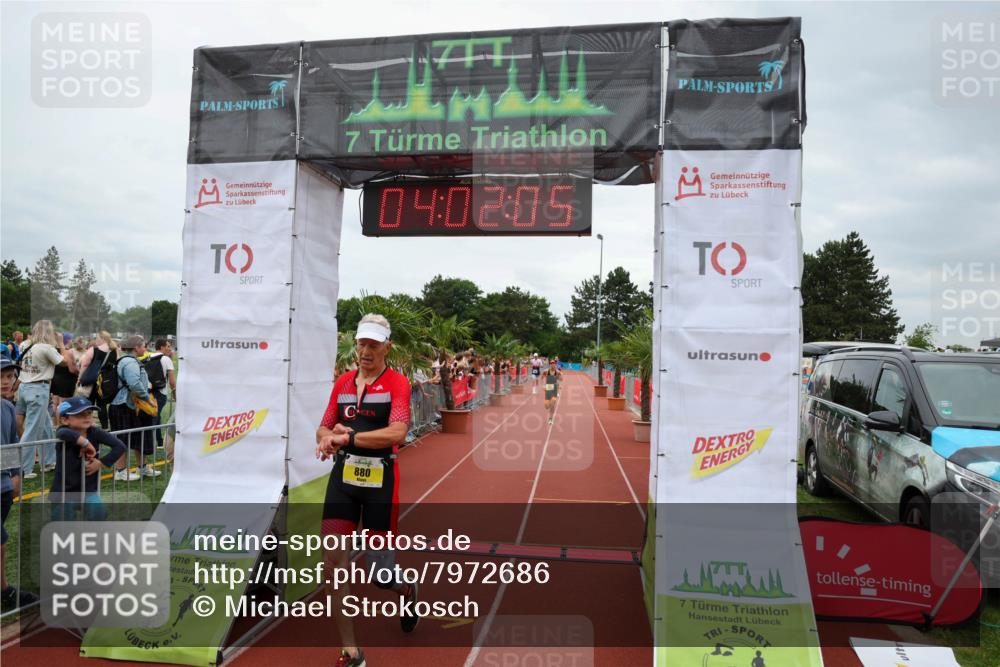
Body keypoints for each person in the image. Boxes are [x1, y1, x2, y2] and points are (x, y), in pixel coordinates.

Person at [315, 314, 419, 667]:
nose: (366, 350)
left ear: (387, 346)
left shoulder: (397, 384)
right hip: (343, 480)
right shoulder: (343, 382)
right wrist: (328, 439)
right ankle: (351, 651)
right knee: (333, 561)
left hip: (380, 482)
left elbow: (397, 433)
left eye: (374, 343)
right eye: (362, 342)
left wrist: (350, 437)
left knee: (380, 574)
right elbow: (323, 427)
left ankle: (406, 589)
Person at [17, 320, 76, 479]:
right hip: (38, 388)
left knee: (45, 427)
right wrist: (61, 344)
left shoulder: (24, 344)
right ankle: (24, 468)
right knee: (31, 429)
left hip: (25, 387)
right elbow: (65, 362)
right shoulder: (46, 348)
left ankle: (49, 461)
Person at [50, 397, 126, 521]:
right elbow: (62, 433)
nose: (86, 417)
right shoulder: (63, 431)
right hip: (63, 492)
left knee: (99, 513)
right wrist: (85, 443)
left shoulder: (94, 432)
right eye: (80, 415)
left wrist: (101, 463)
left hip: (88, 489)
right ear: (65, 419)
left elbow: (120, 446)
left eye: (89, 413)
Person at [1, 351, 37, 610]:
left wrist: (15, 475)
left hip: (4, 486)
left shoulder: (8, 407)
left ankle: (3, 590)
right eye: (0, 376)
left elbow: (12, 445)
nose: (5, 381)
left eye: (9, 376)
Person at [109, 336, 159, 481]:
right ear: (136, 347)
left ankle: (142, 468)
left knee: (138, 436)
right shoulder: (130, 362)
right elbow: (134, 384)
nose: (146, 349)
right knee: (122, 439)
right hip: (123, 405)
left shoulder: (128, 361)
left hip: (129, 404)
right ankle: (120, 471)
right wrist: (147, 398)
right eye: (144, 346)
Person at [77, 331, 118, 428]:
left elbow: (85, 364)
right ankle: (105, 427)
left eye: (97, 338)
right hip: (105, 382)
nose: (96, 341)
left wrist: (80, 378)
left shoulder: (93, 350)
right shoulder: (114, 351)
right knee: (102, 405)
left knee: (88, 404)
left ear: (102, 339)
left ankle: (87, 424)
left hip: (91, 381)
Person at [145, 340, 176, 449]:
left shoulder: (148, 357)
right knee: (155, 418)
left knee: (156, 417)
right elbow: (172, 381)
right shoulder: (166, 359)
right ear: (161, 347)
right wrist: (175, 394)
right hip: (161, 392)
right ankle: (150, 444)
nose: (170, 348)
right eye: (168, 346)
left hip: (149, 392)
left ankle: (158, 441)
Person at [543, 358, 562, 425]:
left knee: (552, 404)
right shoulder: (546, 371)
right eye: (551, 363)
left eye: (553, 363)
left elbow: (561, 380)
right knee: (546, 406)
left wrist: (559, 382)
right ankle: (549, 406)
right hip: (548, 388)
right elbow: (542, 378)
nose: (552, 364)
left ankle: (550, 419)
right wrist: (543, 385)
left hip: (554, 389)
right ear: (550, 364)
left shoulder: (557, 372)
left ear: (555, 364)